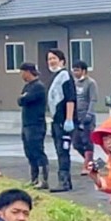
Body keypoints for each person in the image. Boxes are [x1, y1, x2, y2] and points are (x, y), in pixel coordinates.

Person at [46, 48, 76, 192]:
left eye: (54, 58)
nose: (51, 61)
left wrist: (69, 119)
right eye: (49, 59)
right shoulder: (54, 76)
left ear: (62, 61)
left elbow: (70, 99)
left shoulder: (65, 76)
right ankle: (63, 181)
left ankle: (64, 182)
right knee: (59, 150)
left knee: (63, 151)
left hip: (64, 121)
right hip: (56, 121)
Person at [17, 63, 49, 190]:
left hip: (36, 124)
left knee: (37, 151)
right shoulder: (27, 86)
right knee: (29, 151)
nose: (21, 75)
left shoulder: (38, 87)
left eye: (22, 71)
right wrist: (22, 98)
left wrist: (23, 98)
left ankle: (43, 179)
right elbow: (20, 100)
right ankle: (33, 178)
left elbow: (25, 99)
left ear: (28, 72)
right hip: (26, 123)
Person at [72, 61, 98, 176]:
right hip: (76, 116)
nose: (75, 72)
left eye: (77, 70)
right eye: (74, 70)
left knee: (87, 141)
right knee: (76, 142)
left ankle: (87, 165)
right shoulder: (74, 83)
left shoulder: (90, 83)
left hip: (87, 116)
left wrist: (89, 114)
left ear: (84, 70)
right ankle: (90, 161)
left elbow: (93, 99)